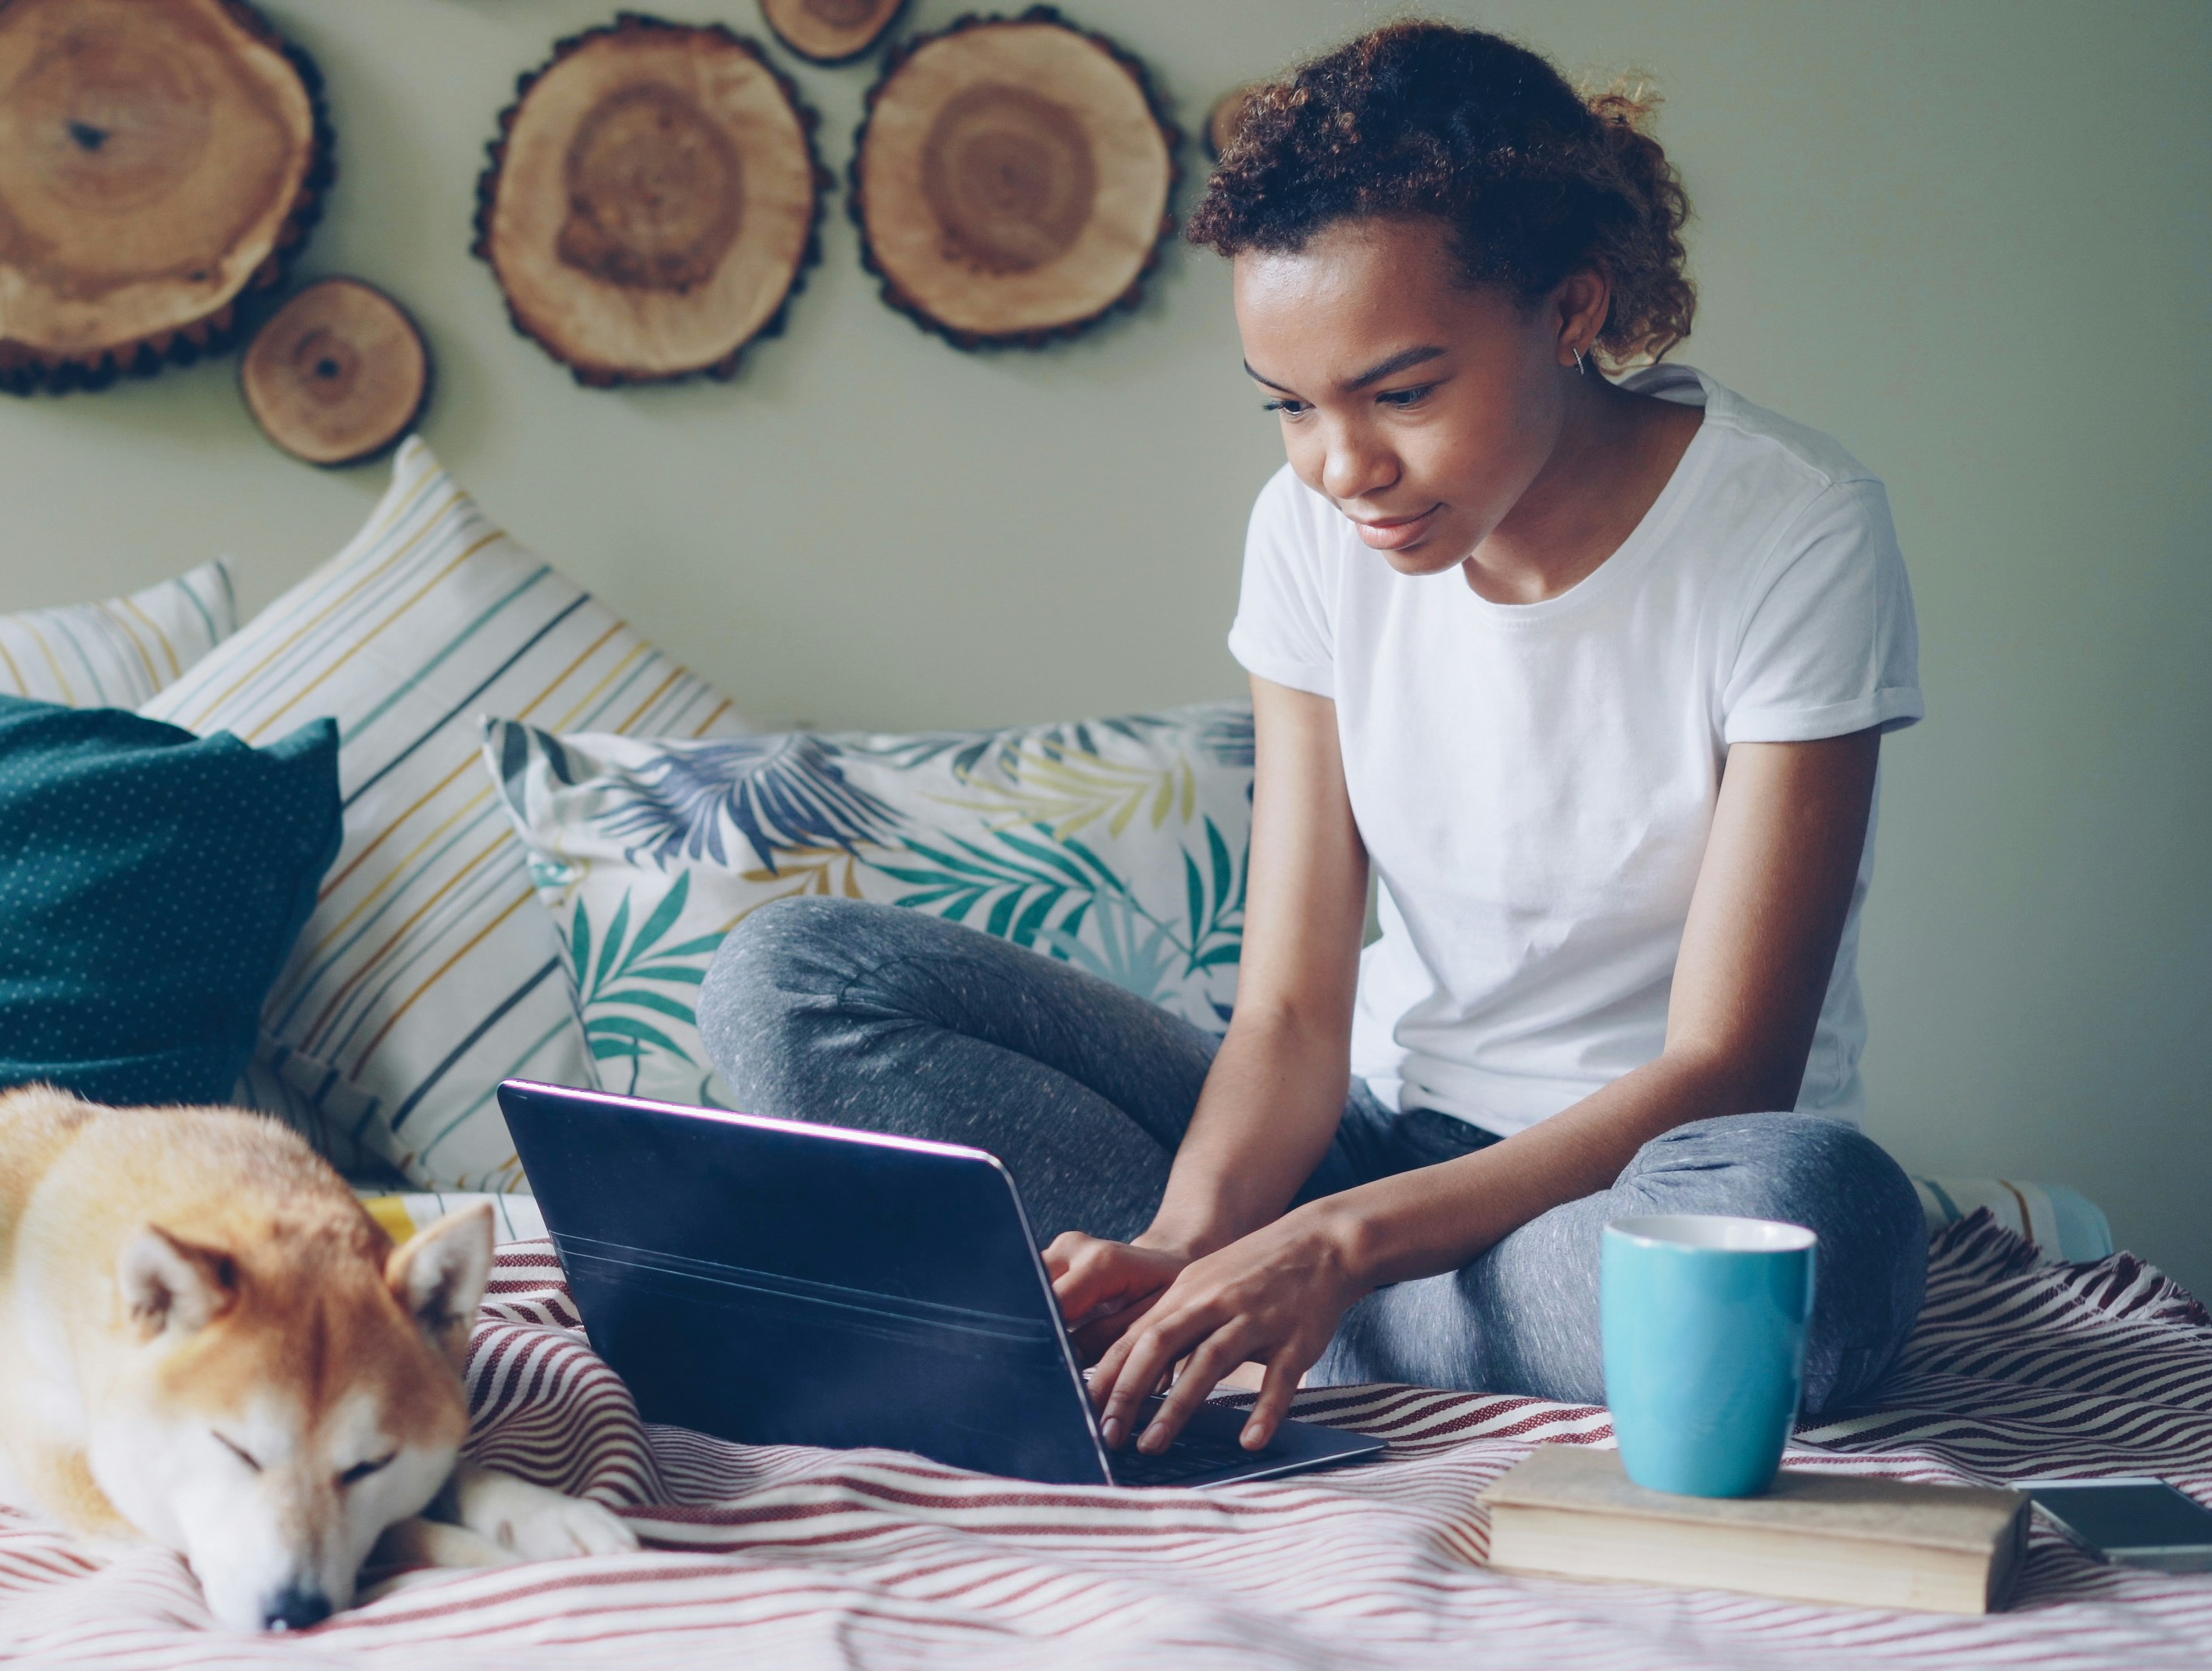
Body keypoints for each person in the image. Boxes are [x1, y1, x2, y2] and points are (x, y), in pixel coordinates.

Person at [695, 20, 1930, 1459]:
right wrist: (1187, 1238)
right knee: (786, 978)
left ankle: (1330, 1316)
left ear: (1573, 307)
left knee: (1822, 1226)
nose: (1346, 468)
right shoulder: (1309, 534)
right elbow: (1286, 1015)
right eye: (1291, 406)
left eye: (1402, 391)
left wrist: (1335, 1248)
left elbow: (1728, 1065)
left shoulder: (1794, 530)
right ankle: (1256, 1303)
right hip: (1367, 1135)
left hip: (1638, 1182)